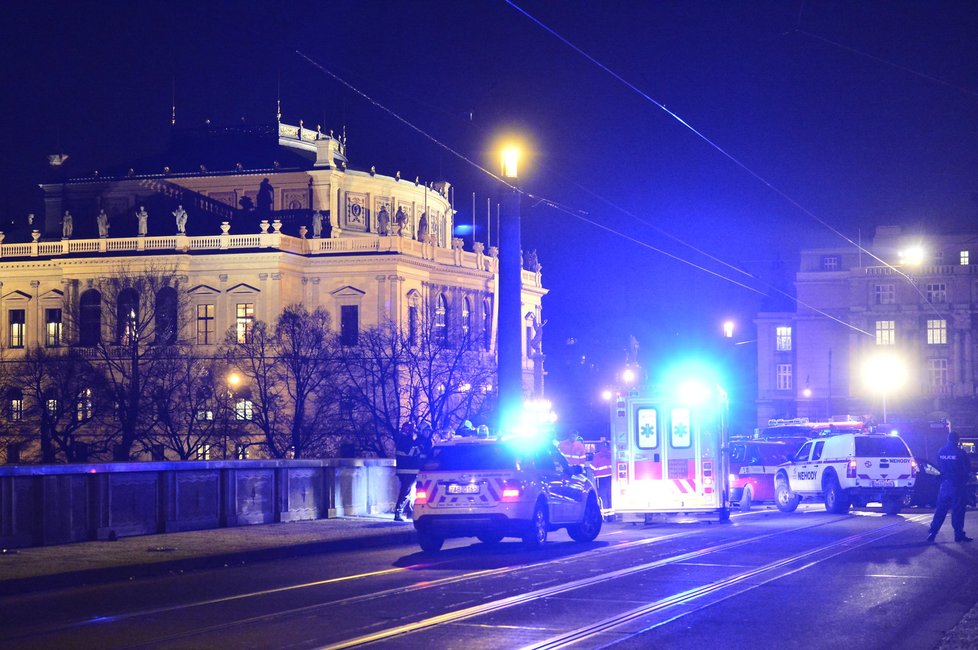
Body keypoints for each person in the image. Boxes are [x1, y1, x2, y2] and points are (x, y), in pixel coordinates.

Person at [927, 431, 973, 543]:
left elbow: (938, 466)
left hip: (944, 485)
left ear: (948, 439)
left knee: (940, 510)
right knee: (958, 510)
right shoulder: (960, 453)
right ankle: (958, 534)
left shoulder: (941, 451)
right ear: (957, 440)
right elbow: (967, 469)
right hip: (957, 485)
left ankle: (932, 532)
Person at [394, 422, 423, 521]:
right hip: (407, 471)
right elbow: (412, 453)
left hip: (406, 471)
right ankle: (398, 512)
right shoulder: (405, 440)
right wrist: (420, 446)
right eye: (412, 430)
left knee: (409, 492)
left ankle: (409, 511)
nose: (414, 432)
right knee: (406, 492)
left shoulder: (403, 439)